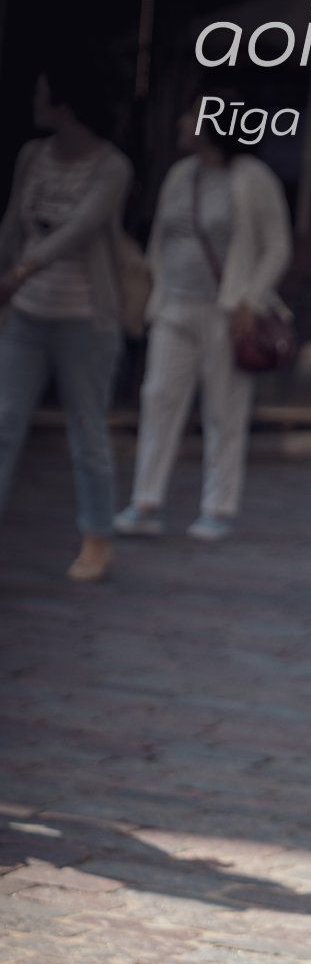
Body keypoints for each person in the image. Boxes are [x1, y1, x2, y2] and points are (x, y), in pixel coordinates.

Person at [115, 93, 292, 544]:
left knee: (224, 409)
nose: (181, 121)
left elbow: (277, 246)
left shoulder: (252, 178)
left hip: (227, 313)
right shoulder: (180, 176)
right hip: (174, 304)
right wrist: (151, 296)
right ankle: (146, 500)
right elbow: (162, 240)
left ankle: (218, 506)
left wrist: (249, 299)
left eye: (191, 114)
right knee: (158, 397)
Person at [0, 60, 133, 580]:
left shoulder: (112, 166)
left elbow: (80, 227)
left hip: (84, 318)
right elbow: (14, 222)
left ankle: (97, 534)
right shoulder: (33, 156)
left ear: (65, 106)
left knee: (87, 428)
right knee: (3, 424)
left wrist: (21, 272)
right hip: (28, 315)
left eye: (42, 94)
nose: (35, 103)